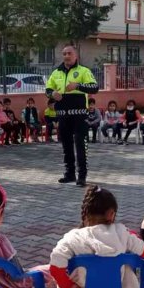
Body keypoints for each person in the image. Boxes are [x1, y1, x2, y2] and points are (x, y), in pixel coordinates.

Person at [49, 185, 144, 288]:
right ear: (111, 214)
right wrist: (132, 234)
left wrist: (67, 285)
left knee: (68, 279)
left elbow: (55, 265)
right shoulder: (122, 233)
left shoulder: (74, 237)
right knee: (120, 273)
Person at [46, 46, 99, 186]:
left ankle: (82, 176)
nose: (66, 56)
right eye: (64, 54)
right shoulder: (56, 73)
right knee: (66, 146)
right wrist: (52, 94)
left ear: (76, 55)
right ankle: (69, 174)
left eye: (69, 53)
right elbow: (47, 89)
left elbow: (95, 88)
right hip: (63, 116)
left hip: (80, 116)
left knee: (81, 145)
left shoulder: (84, 71)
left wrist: (78, 86)